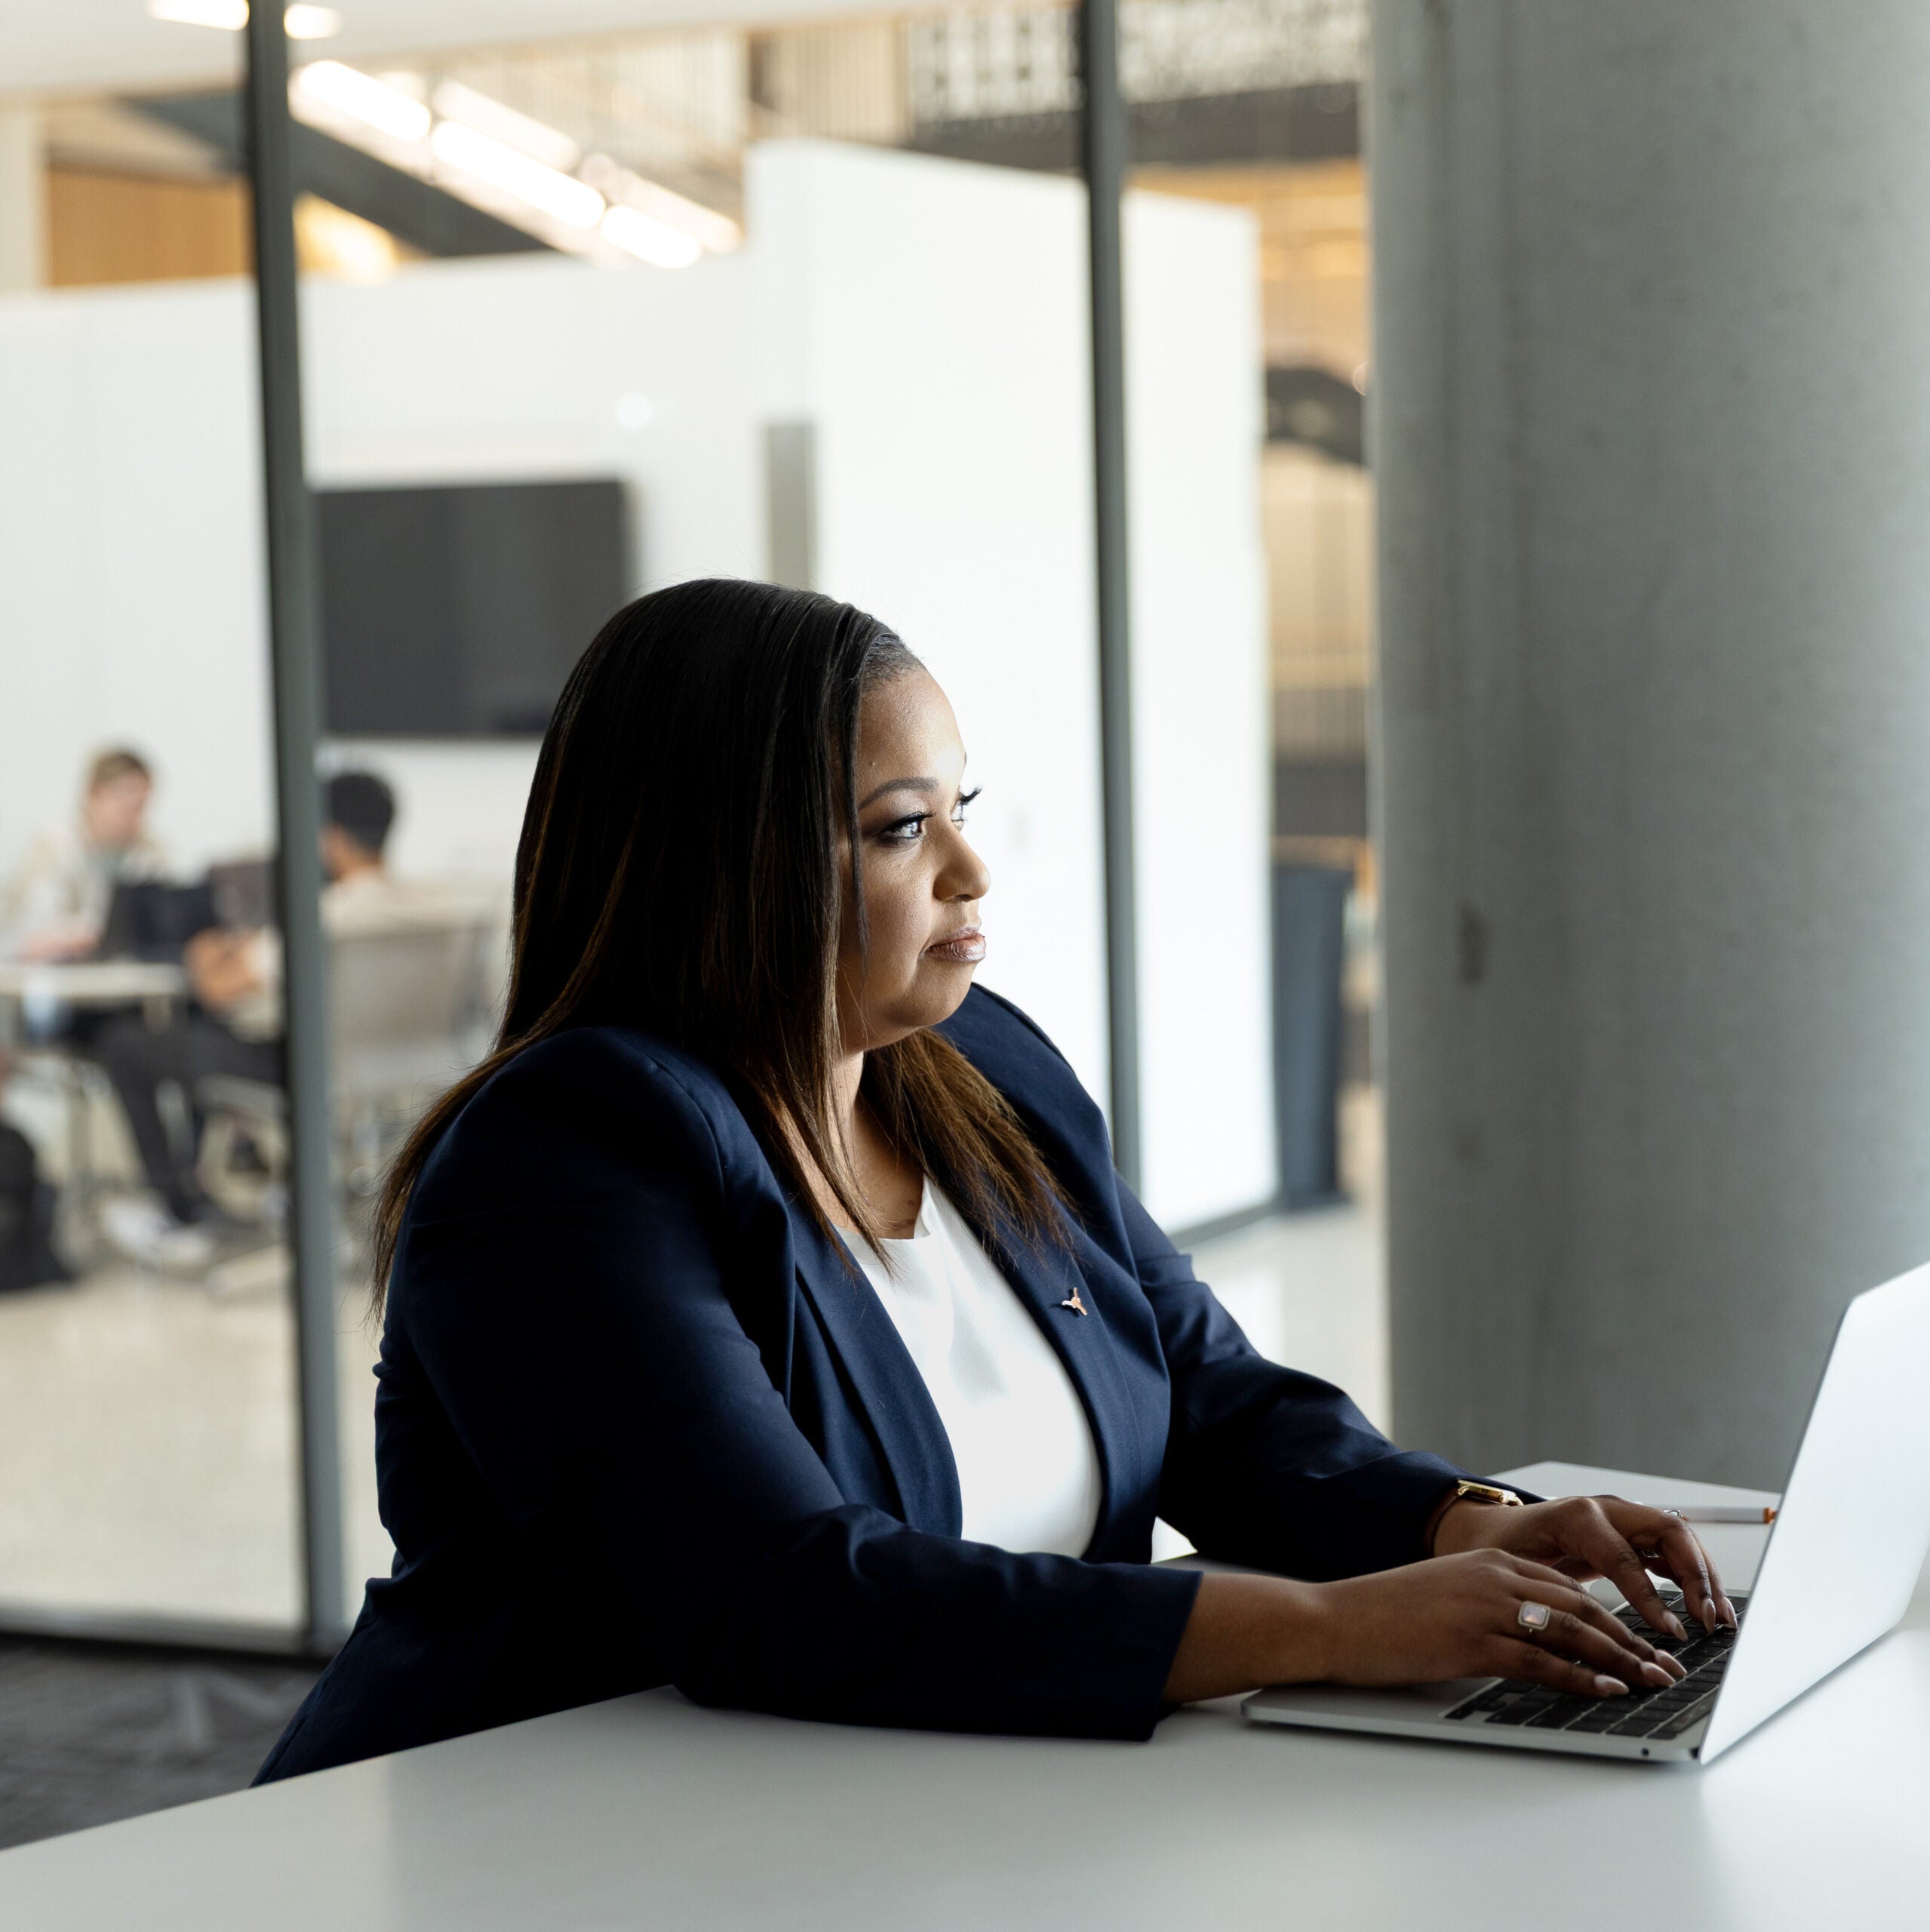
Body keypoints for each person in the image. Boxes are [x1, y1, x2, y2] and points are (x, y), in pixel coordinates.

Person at [257, 581, 1732, 1783]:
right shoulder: (568, 1153)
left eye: (960, 804)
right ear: (731, 866)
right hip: (536, 1843)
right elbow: (781, 1596)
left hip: (922, 1812)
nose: (972, 866)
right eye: (903, 826)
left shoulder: (987, 1074)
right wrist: (1329, 1625)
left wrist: (1456, 1527)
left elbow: (1210, 1395)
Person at [97, 771, 435, 1271]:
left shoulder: (329, 913)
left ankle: (176, 1210)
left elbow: (219, 988)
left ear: (332, 837)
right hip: (400, 1075)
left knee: (125, 1045)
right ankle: (207, 1196)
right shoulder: (431, 907)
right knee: (202, 1039)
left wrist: (203, 951)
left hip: (305, 1072)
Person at [0, 748, 166, 963]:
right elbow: (37, 932)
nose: (135, 818)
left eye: (141, 808)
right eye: (127, 806)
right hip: (44, 980)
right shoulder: (53, 847)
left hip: (114, 981)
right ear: (94, 795)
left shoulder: (149, 853)